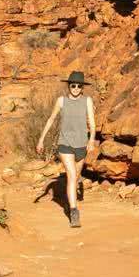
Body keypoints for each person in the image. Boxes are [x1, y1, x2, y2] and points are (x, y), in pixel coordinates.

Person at [36, 70, 97, 227]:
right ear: (68, 86)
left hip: (81, 145)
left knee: (76, 177)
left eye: (78, 86)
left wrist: (91, 140)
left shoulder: (87, 101)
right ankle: (74, 211)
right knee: (71, 175)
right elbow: (51, 119)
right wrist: (41, 140)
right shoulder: (61, 101)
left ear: (82, 87)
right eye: (73, 85)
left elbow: (92, 123)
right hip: (65, 144)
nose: (75, 88)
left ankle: (71, 198)